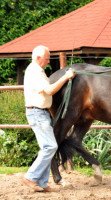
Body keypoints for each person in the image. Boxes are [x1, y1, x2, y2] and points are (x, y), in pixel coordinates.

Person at [22, 45, 75, 192]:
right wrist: (66, 76)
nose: (48, 61)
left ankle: (42, 183)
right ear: (38, 58)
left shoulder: (38, 71)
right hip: (37, 113)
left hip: (41, 113)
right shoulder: (35, 72)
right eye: (47, 58)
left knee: (47, 147)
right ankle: (31, 177)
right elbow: (50, 90)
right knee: (50, 146)